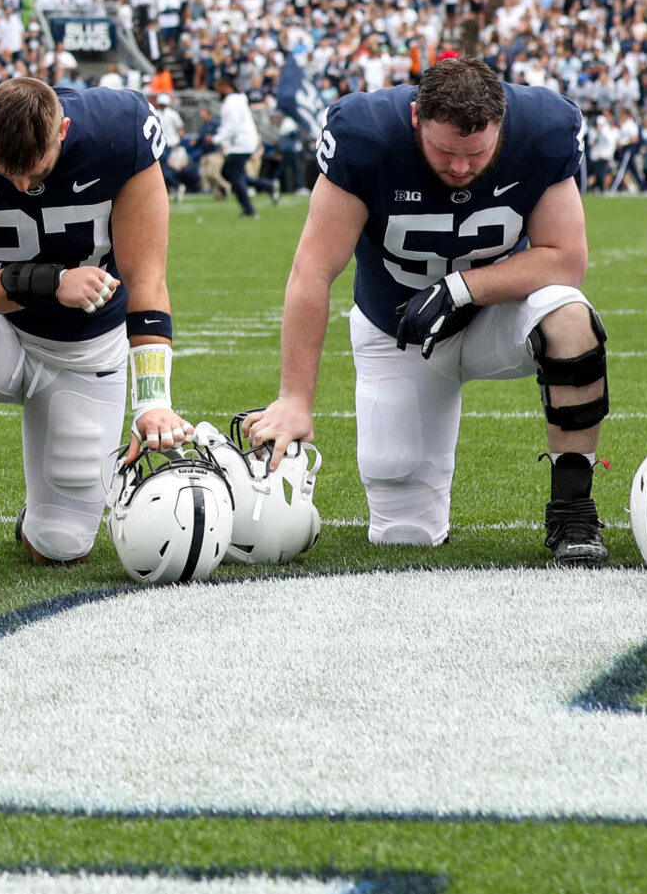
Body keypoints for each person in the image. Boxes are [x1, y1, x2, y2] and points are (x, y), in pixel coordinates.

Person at [244, 55, 608, 563]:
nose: (460, 168)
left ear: (502, 127)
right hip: (398, 330)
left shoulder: (543, 128)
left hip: (496, 318)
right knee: (405, 535)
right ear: (416, 117)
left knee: (570, 316)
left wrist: (461, 288)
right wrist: (294, 399)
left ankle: (573, 510)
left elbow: (566, 260)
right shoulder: (364, 134)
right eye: (444, 151)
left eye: (477, 154)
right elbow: (312, 271)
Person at [0, 77, 178, 587]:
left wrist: (153, 400)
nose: (24, 187)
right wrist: (52, 281)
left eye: (37, 170)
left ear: (64, 131)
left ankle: (38, 520)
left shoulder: (120, 133)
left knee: (62, 546)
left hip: (84, 346)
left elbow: (147, 280)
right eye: (9, 173)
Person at [214, 75, 260, 218]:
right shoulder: (237, 100)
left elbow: (232, 127)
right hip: (244, 141)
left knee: (233, 175)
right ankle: (267, 186)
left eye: (219, 88)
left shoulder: (230, 103)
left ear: (226, 88)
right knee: (230, 173)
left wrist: (216, 139)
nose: (217, 92)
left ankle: (249, 210)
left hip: (240, 143)